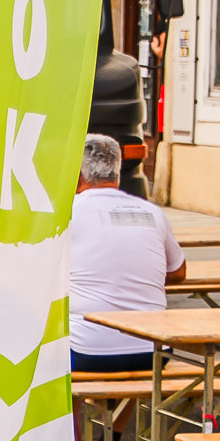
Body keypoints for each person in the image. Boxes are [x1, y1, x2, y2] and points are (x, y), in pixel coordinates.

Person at [68, 132, 184, 375]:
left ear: (77, 175)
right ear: (117, 172)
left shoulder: (69, 213)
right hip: (153, 350)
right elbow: (178, 272)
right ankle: (115, 414)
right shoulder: (151, 212)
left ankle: (76, 414)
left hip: (88, 350)